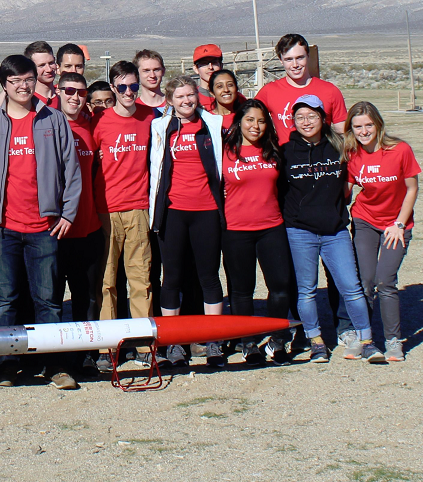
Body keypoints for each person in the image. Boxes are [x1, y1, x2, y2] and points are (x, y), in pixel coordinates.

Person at [0, 55, 81, 390]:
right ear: (5, 85)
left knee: (48, 298)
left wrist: (68, 212)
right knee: (7, 298)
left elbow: (71, 168)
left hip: (44, 226)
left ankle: (55, 365)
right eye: (15, 81)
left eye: (27, 79)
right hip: (3, 226)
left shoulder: (52, 119)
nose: (23, 87)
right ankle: (8, 365)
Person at [279, 95, 382, 363]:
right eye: (300, 117)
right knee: (307, 290)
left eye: (312, 116)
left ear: (323, 118)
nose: (306, 122)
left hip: (335, 230)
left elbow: (362, 172)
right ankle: (316, 342)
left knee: (352, 287)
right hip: (300, 231)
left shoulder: (339, 147)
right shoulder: (285, 151)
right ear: (293, 121)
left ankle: (367, 340)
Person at [149, 77, 227, 368]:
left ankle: (213, 340)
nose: (186, 101)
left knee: (208, 276)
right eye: (179, 96)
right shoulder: (160, 128)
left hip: (206, 210)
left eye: (190, 95)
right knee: (172, 278)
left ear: (198, 96)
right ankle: (172, 342)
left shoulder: (213, 126)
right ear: (169, 100)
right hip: (173, 212)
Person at [91, 62, 155, 371]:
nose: (128, 92)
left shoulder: (149, 118)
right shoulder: (100, 122)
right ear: (113, 89)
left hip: (138, 208)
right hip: (107, 210)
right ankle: (107, 347)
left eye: (133, 86)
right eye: (122, 87)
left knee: (140, 278)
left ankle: (142, 342)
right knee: (107, 282)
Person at [345, 102, 420, 362]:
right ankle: (363, 337)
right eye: (358, 127)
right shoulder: (352, 154)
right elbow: (346, 191)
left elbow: (411, 188)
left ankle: (393, 341)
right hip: (365, 220)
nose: (364, 131)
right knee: (365, 281)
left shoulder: (400, 150)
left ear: (378, 124)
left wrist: (399, 224)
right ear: (350, 130)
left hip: (395, 225)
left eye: (368, 125)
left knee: (385, 280)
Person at [221, 99, 294, 365]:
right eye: (250, 120)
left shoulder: (273, 150)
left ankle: (276, 341)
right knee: (242, 290)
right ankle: (248, 342)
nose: (256, 126)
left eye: (261, 121)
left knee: (280, 287)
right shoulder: (225, 151)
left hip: (271, 227)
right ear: (239, 121)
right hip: (236, 229)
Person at [55, 73, 103, 370]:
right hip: (57, 229)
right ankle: (58, 354)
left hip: (89, 225)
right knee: (54, 296)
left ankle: (87, 353)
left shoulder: (93, 124)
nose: (75, 97)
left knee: (87, 295)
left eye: (81, 92)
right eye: (69, 91)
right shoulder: (46, 123)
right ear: (58, 92)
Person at [257, 34, 348, 142]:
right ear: (281, 60)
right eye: (288, 59)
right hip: (286, 157)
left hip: (321, 157)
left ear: (308, 56)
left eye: (300, 58)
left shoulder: (330, 91)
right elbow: (249, 120)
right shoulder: (269, 92)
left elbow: (342, 133)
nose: (295, 64)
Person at [134, 49, 168, 117]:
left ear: (163, 71)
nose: (152, 75)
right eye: (146, 71)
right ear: (136, 74)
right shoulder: (133, 109)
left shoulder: (175, 105)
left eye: (156, 70)